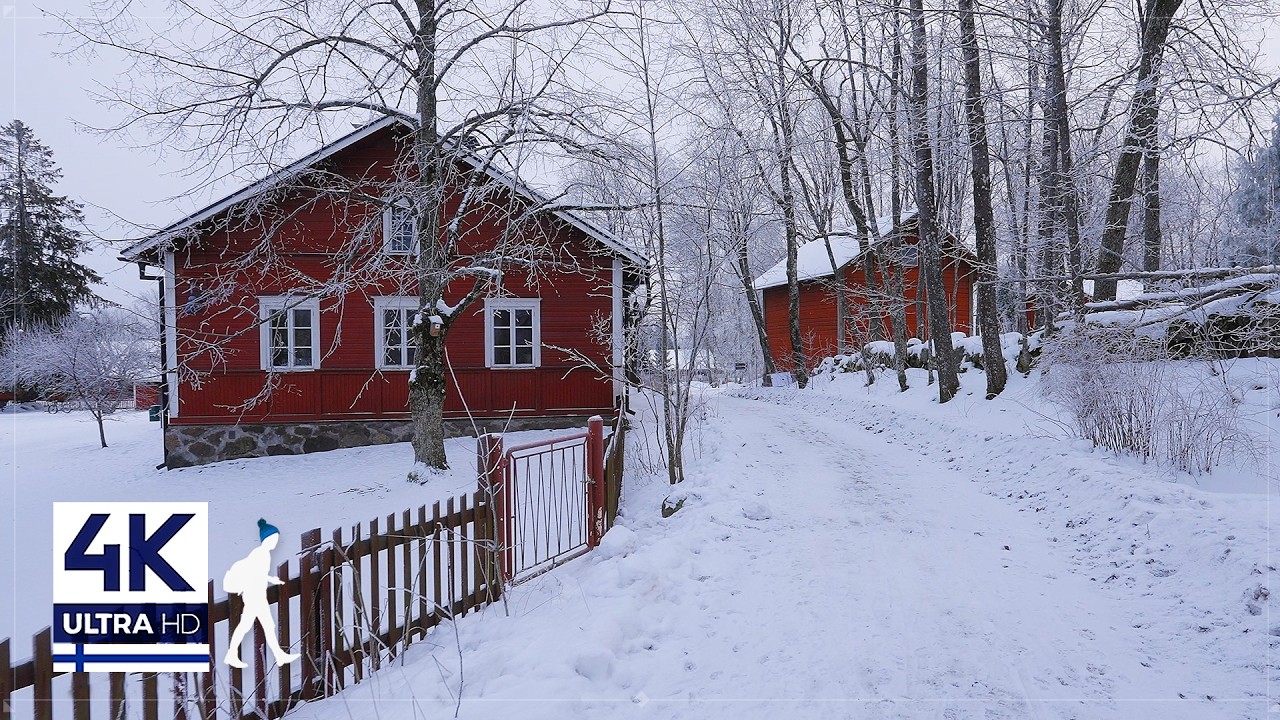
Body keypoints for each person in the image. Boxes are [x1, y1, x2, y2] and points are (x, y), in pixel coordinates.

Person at [222, 519, 300, 668]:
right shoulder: (260, 554)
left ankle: (278, 655)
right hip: (254, 596)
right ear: (267, 539)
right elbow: (255, 574)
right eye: (274, 538)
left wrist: (272, 579)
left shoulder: (263, 554)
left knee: (263, 626)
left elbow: (259, 573)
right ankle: (232, 654)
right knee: (248, 625)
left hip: (256, 595)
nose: (276, 541)